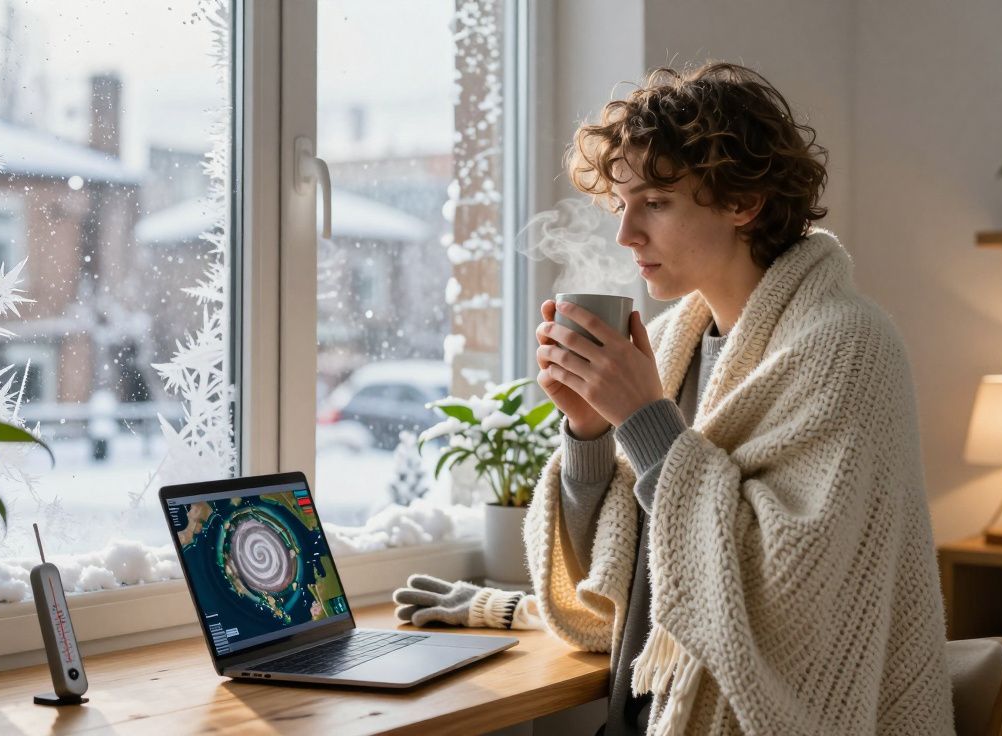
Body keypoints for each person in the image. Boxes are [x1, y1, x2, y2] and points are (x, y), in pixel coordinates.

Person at [395, 61, 954, 735]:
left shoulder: (850, 347)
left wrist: (642, 418)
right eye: (622, 205)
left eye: (655, 204)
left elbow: (787, 593)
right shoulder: (668, 344)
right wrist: (589, 436)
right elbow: (628, 584)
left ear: (743, 202)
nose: (627, 235)